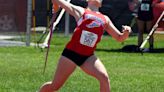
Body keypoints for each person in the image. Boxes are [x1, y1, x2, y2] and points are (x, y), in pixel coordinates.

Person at [39, 0, 131, 92]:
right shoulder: (81, 11)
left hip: (88, 56)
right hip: (71, 54)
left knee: (104, 78)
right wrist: (55, 6)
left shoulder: (105, 19)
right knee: (55, 86)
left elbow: (119, 38)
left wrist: (126, 32)